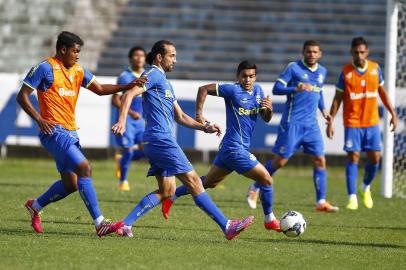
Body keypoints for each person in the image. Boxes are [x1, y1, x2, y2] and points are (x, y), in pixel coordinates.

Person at [112, 40, 254, 240]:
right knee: (195, 181)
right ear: (159, 57)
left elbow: (180, 116)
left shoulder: (165, 82)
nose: (175, 60)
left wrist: (205, 126)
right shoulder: (152, 74)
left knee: (167, 191)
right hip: (161, 140)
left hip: (154, 141)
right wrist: (121, 120)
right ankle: (228, 226)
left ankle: (125, 224)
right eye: (172, 56)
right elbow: (128, 94)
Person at [18, 31, 144, 237]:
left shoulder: (78, 71)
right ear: (63, 49)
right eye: (75, 51)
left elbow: (101, 89)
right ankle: (100, 223)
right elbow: (22, 96)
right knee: (85, 168)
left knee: (71, 184)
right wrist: (39, 119)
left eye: (79, 52)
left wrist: (129, 85)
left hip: (70, 132)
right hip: (53, 131)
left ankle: (36, 205)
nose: (78, 55)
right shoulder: (45, 68)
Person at [160, 60, 282, 232]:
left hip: (229, 148)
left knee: (209, 182)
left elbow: (266, 118)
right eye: (244, 76)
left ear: (255, 77)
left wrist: (268, 109)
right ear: (238, 76)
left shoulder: (258, 91)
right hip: (234, 148)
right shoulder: (232, 90)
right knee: (266, 179)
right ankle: (270, 220)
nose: (248, 79)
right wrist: (199, 115)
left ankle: (171, 197)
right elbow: (203, 89)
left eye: (251, 76)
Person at [247, 40, 339, 213]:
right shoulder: (293, 68)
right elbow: (277, 88)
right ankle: (255, 188)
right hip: (292, 123)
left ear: (320, 54)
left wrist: (324, 111)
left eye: (315, 52)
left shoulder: (322, 72)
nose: (311, 54)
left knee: (320, 160)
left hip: (312, 125)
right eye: (309, 51)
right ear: (303, 52)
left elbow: (318, 93)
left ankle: (321, 202)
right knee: (280, 161)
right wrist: (295, 88)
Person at [327, 36, 398, 210]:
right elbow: (338, 98)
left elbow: (382, 92)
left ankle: (365, 187)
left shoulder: (375, 69)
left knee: (375, 158)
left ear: (367, 52)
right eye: (356, 52)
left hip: (372, 122)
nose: (359, 55)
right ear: (352, 52)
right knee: (354, 157)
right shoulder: (346, 72)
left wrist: (393, 113)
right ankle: (352, 197)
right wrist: (331, 121)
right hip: (352, 122)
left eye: (362, 52)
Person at [112, 46, 146, 191]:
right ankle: (123, 181)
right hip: (127, 121)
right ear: (130, 58)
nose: (139, 58)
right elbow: (115, 100)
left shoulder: (148, 75)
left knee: (149, 150)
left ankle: (122, 159)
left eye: (142, 56)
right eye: (136, 55)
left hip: (142, 123)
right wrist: (131, 113)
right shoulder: (125, 77)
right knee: (129, 150)